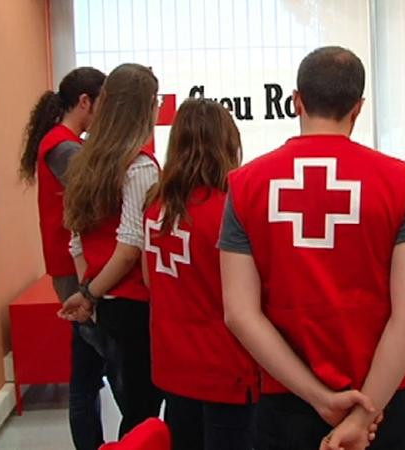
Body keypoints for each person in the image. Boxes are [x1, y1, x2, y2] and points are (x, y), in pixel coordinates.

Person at [219, 46, 405, 450]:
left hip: (287, 407)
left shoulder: (245, 186)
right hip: (384, 402)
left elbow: (240, 313)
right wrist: (365, 413)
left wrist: (323, 400)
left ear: (296, 100)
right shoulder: (397, 181)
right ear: (359, 106)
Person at [143, 98, 259, 450]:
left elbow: (151, 282)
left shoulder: (156, 205)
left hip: (173, 363)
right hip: (225, 366)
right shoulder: (230, 208)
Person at [57, 63, 163, 438]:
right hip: (134, 305)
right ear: (145, 106)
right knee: (141, 415)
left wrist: (91, 291)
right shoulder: (140, 166)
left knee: (127, 406)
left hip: (104, 304)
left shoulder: (85, 161)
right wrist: (90, 293)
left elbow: (76, 240)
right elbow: (131, 247)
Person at [19, 66, 107, 450]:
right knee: (108, 366)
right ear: (85, 101)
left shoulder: (65, 142)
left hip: (72, 265)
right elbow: (99, 194)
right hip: (74, 269)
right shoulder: (63, 146)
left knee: (87, 370)